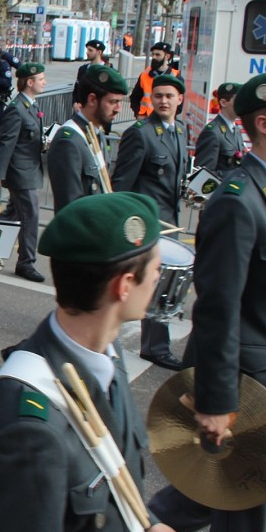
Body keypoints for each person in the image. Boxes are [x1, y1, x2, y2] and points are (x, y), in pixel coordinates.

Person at [147, 72, 266, 532]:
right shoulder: (238, 201)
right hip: (239, 386)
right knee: (213, 496)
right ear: (263, 124)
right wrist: (217, 399)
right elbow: (219, 310)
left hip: (265, 381)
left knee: (240, 500)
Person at [0, 192, 183, 532]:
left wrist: (148, 524)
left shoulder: (106, 352)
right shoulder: (28, 426)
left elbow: (108, 468)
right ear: (123, 287)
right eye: (155, 269)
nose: (158, 277)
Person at [111, 73, 189, 370]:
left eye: (169, 96)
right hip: (147, 224)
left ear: (180, 99)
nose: (164, 101)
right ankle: (154, 346)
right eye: (158, 96)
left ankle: (155, 344)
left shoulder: (179, 131)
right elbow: (123, 183)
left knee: (163, 286)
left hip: (171, 222)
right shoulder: (141, 132)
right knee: (145, 286)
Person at [0, 62, 47, 282]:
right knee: (31, 215)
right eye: (41, 79)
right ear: (29, 82)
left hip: (30, 169)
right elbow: (5, 144)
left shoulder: (30, 106)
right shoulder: (17, 108)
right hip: (20, 173)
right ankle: (26, 263)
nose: (44, 82)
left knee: (12, 214)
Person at [47, 67, 126, 212]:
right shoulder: (68, 142)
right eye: (113, 102)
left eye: (120, 102)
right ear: (92, 99)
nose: (118, 109)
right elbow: (70, 208)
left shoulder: (97, 134)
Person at [194, 81, 245, 173]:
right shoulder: (212, 132)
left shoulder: (236, 129)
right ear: (223, 102)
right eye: (238, 100)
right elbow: (203, 174)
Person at [129, 41, 179, 118]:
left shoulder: (176, 76)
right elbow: (134, 98)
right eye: (153, 54)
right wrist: (138, 114)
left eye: (157, 55)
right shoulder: (145, 74)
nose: (154, 57)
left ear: (167, 56)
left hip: (165, 120)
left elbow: (179, 103)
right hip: (146, 119)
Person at [72, 39, 109, 106]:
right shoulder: (83, 69)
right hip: (82, 108)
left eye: (90, 50)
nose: (87, 52)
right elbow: (77, 88)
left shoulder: (108, 70)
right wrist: (75, 103)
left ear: (99, 52)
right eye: (87, 50)